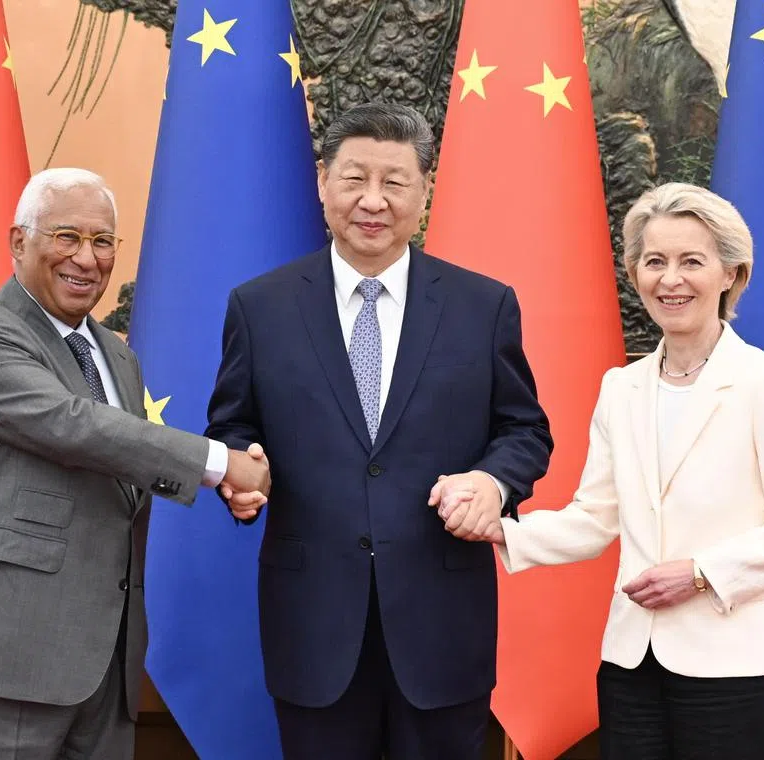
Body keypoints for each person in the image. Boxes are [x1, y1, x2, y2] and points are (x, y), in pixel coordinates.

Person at [439, 182, 764, 760]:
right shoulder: (621, 388)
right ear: (634, 274)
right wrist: (503, 528)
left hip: (739, 667)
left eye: (691, 262)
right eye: (655, 262)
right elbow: (597, 517)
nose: (670, 279)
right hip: (631, 662)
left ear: (731, 274)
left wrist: (700, 573)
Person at [206, 103, 553, 759]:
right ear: (321, 182)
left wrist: (493, 480)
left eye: (394, 182)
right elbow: (233, 424)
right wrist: (240, 472)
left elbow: (524, 430)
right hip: (313, 624)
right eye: (354, 178)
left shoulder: (483, 306)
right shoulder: (260, 307)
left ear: (424, 189)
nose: (373, 201)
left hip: (443, 623)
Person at [0, 168, 269, 760]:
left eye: (103, 241)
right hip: (6, 656)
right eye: (66, 237)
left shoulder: (115, 356)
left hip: (106, 663)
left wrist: (224, 483)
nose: (86, 258)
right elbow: (73, 426)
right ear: (18, 242)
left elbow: (124, 456)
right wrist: (217, 464)